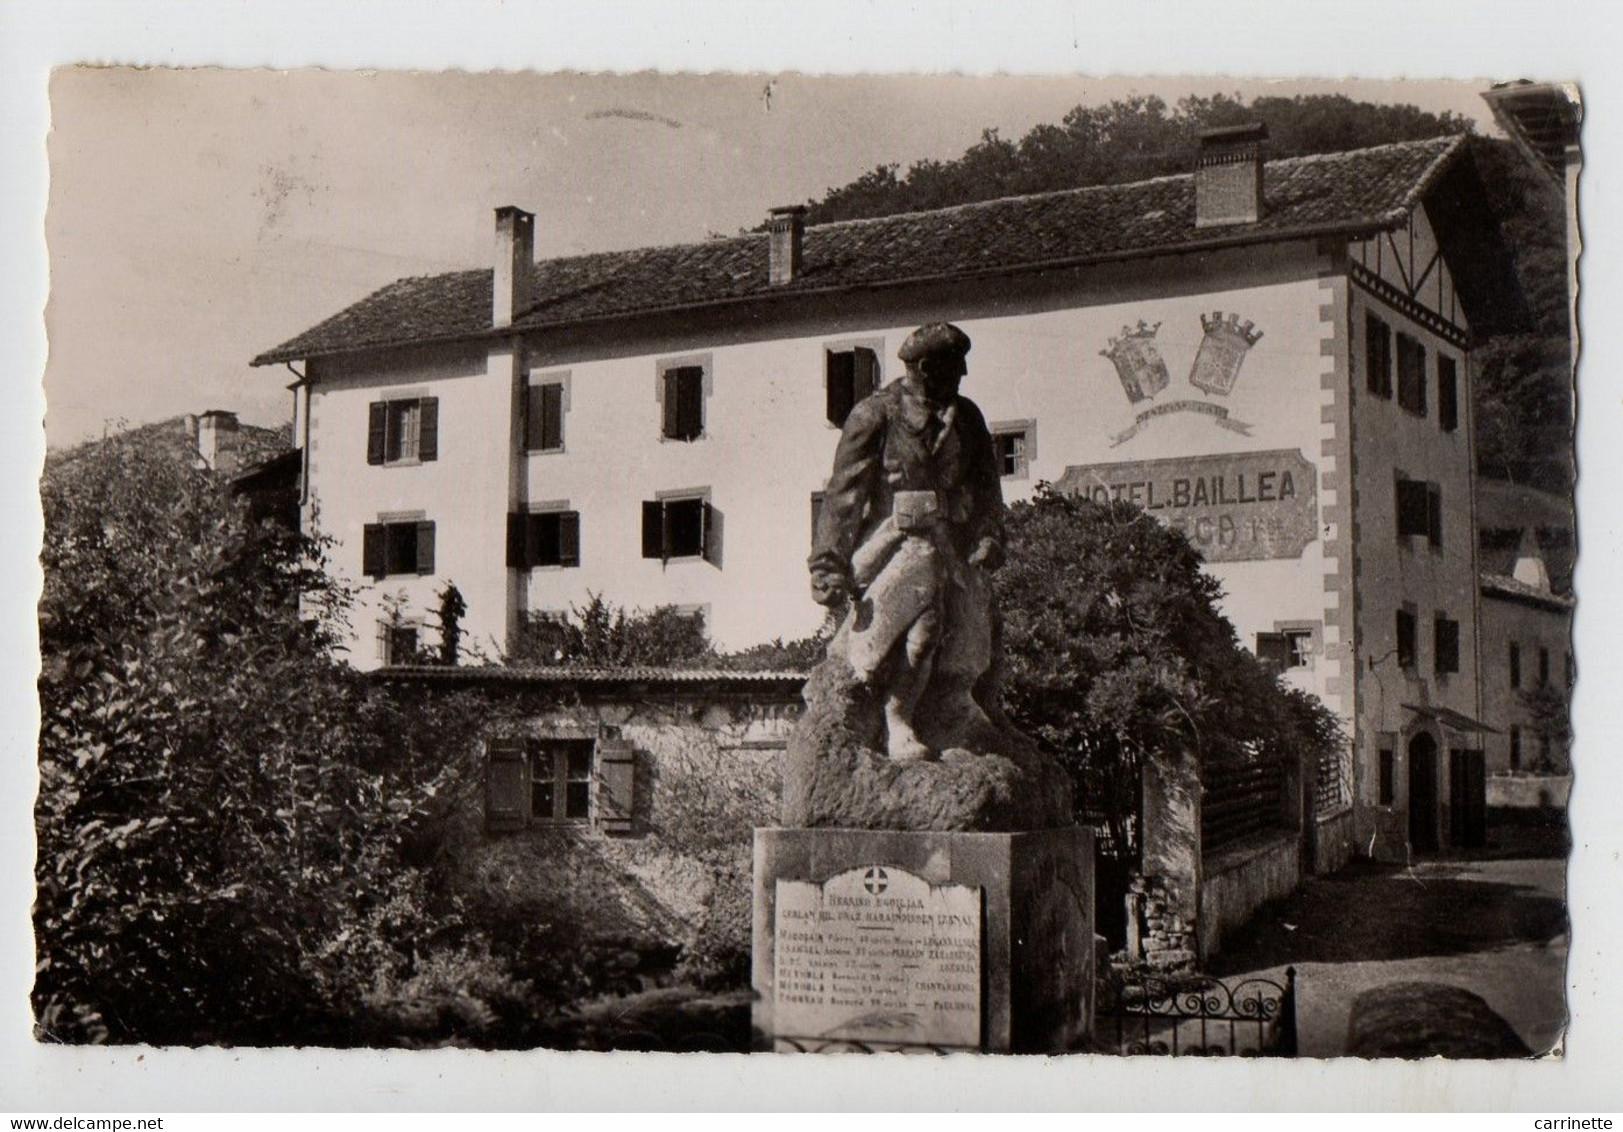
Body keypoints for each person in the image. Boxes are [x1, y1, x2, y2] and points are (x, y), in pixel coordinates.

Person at [808, 322, 1006, 762]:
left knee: (980, 623)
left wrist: (991, 535)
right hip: (888, 549)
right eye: (957, 367)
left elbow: (988, 489)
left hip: (951, 547)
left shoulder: (967, 418)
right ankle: (898, 717)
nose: (965, 375)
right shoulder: (875, 416)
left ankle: (960, 708)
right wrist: (827, 566)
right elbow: (843, 497)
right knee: (927, 610)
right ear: (926, 367)